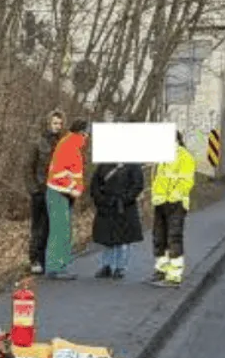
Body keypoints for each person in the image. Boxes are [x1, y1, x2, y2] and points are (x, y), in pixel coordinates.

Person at [150, 129, 197, 287]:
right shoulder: (163, 158)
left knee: (174, 237)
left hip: (175, 203)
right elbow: (158, 180)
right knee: (159, 237)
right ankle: (161, 270)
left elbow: (187, 181)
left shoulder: (184, 157)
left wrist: (173, 196)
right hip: (161, 202)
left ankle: (174, 275)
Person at [43, 118, 89, 279]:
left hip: (63, 193)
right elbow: (58, 174)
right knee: (59, 231)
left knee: (63, 230)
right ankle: (55, 267)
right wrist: (73, 188)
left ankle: (60, 265)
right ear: (82, 133)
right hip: (59, 193)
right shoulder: (69, 146)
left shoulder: (70, 145)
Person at [26, 110, 66, 275]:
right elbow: (28, 167)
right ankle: (35, 260)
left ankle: (49, 260)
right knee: (38, 227)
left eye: (60, 123)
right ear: (48, 123)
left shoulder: (63, 143)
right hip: (41, 191)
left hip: (57, 191)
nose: (57, 126)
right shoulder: (37, 143)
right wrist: (34, 189)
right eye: (55, 123)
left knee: (53, 227)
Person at [89, 161, 145, 279]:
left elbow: (138, 185)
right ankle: (107, 266)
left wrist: (124, 199)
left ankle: (120, 267)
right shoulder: (104, 164)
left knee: (123, 239)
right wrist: (101, 199)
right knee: (107, 238)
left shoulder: (132, 164)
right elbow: (95, 184)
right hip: (107, 205)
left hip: (124, 207)